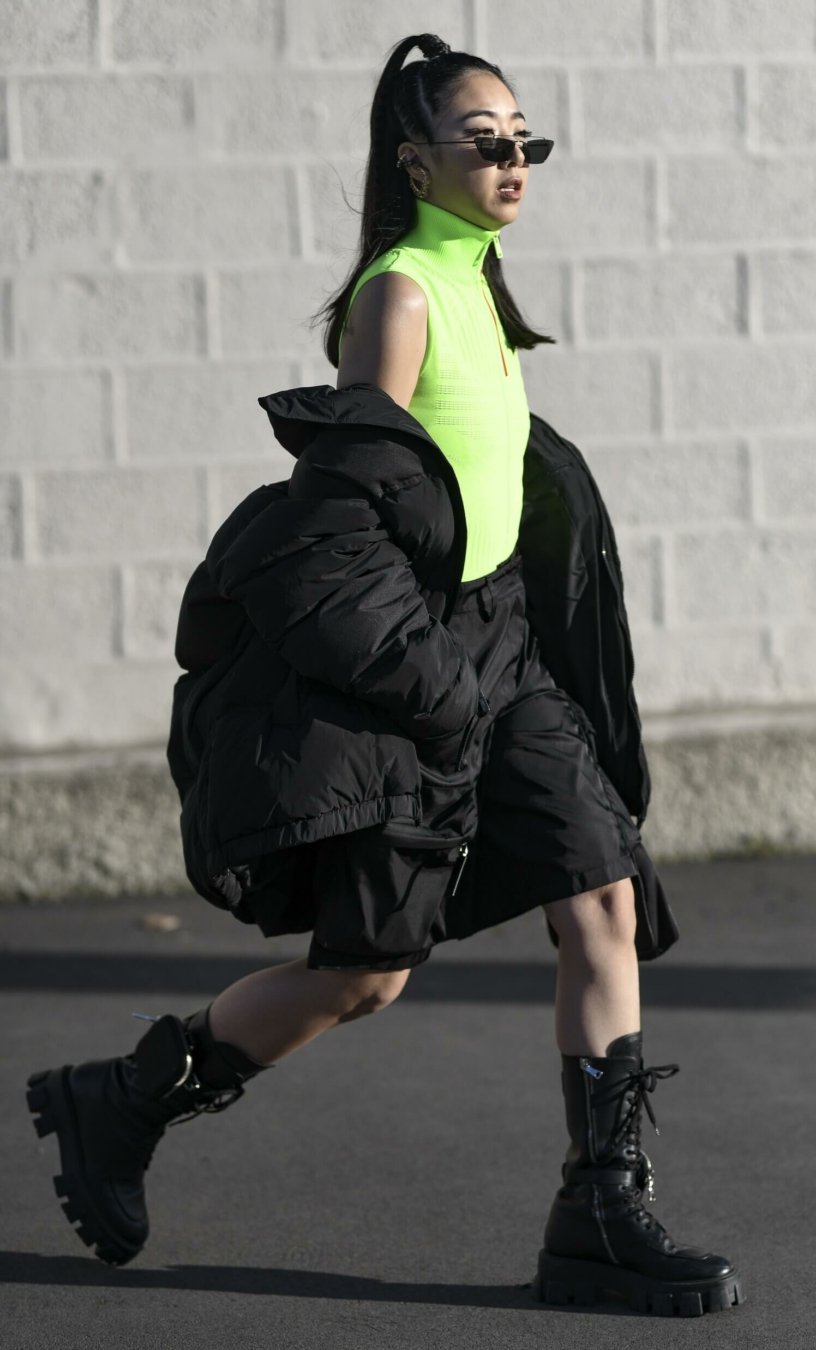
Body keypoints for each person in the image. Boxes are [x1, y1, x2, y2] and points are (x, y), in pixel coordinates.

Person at [27, 34, 744, 1318]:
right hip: (410, 672)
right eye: (486, 137)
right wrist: (428, 681)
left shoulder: (480, 286)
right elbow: (343, 525)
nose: (514, 157)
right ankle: (126, 1097)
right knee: (366, 973)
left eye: (525, 136)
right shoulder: (402, 293)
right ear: (416, 158)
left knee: (604, 896)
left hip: (501, 653)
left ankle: (601, 1211)